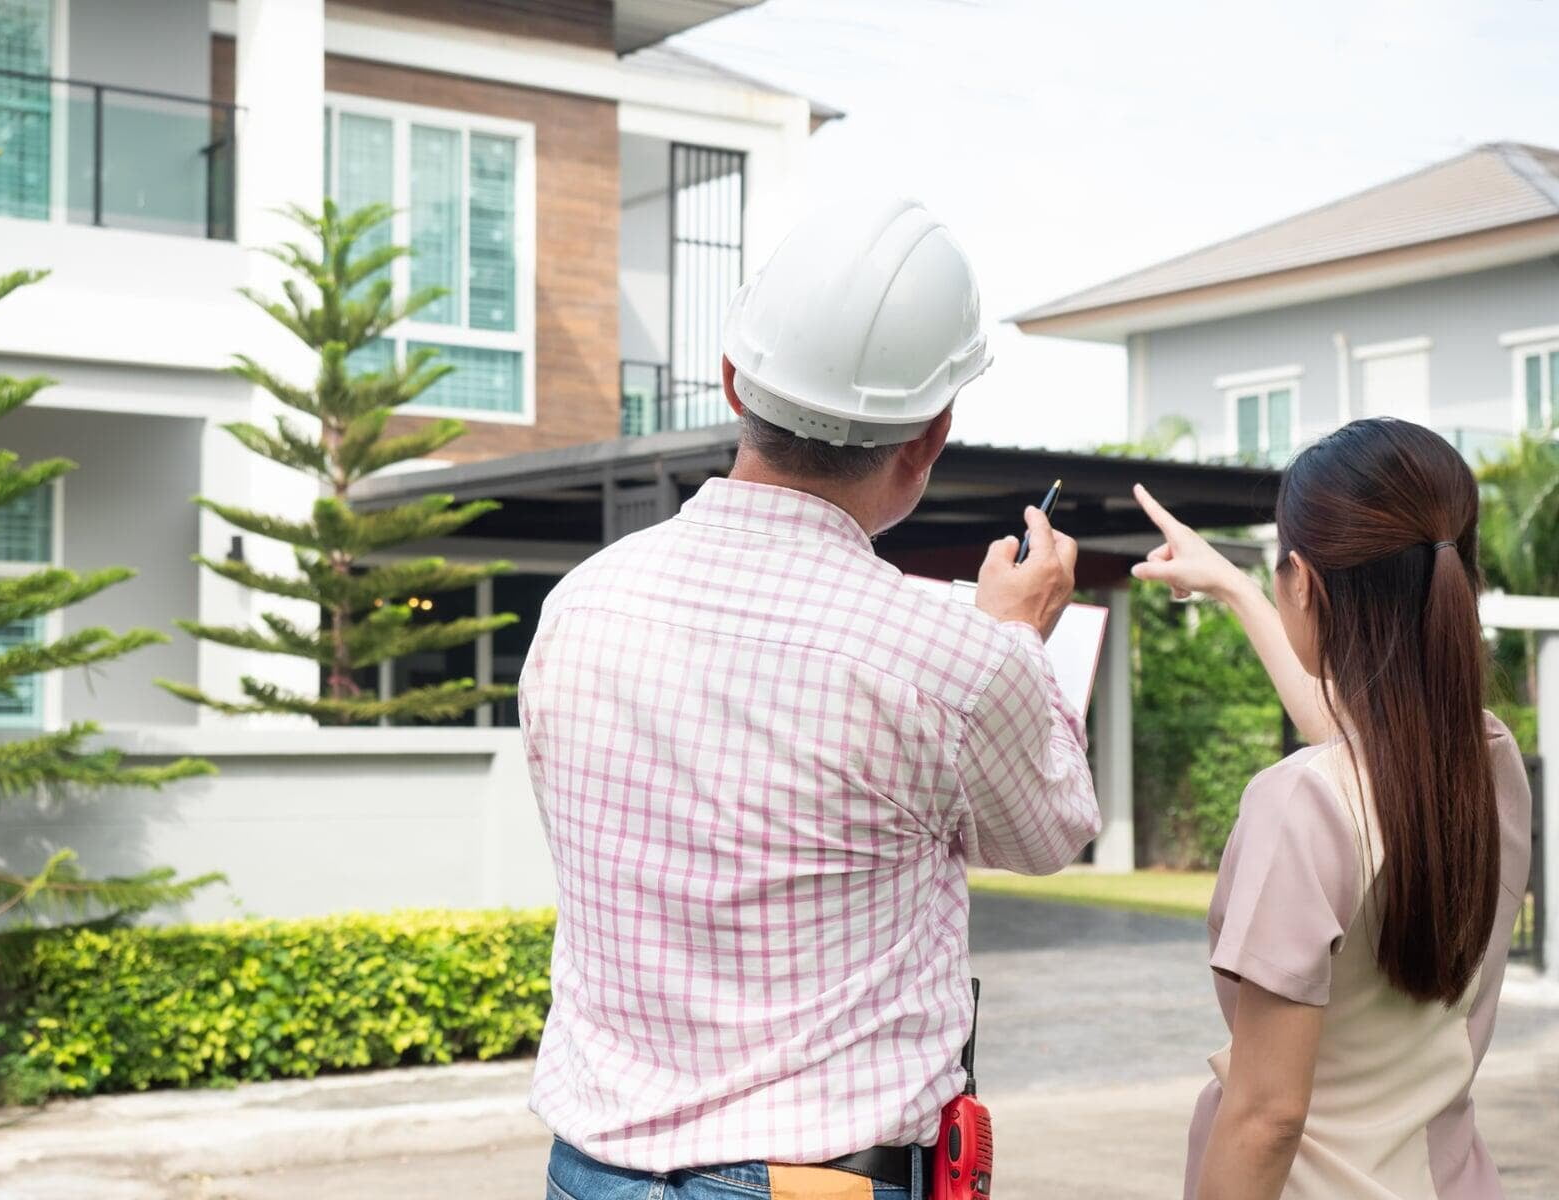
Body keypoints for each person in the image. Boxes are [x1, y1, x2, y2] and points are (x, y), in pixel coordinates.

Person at [520, 196, 1100, 1200]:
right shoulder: (949, 657)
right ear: (931, 436)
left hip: (593, 1169)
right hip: (813, 1179)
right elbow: (1049, 832)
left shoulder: (583, 602)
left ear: (735, 379)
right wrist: (1016, 636)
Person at [1133, 417, 1532, 1200]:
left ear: (1304, 582)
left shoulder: (1301, 804)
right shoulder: (1489, 764)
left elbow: (1266, 1118)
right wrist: (1239, 588)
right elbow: (1371, 764)